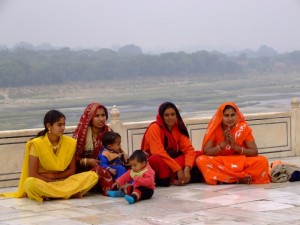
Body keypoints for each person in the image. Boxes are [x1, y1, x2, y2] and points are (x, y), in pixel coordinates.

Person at [1, 110, 98, 202]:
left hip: (62, 181)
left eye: (64, 124)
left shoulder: (70, 143)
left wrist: (55, 178)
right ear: (49, 126)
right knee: (30, 184)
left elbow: (71, 171)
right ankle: (69, 193)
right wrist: (53, 181)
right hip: (43, 182)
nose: (63, 128)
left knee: (92, 176)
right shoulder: (36, 144)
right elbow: (33, 174)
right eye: (59, 125)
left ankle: (52, 195)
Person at [196, 102, 270, 185]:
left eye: (232, 115)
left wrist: (235, 147)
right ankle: (238, 179)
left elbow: (254, 152)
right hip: (221, 162)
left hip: (239, 161)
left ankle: (224, 179)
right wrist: (224, 143)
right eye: (226, 115)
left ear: (236, 115)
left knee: (262, 161)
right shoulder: (216, 129)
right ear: (221, 116)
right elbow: (207, 152)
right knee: (201, 160)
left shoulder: (243, 128)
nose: (230, 118)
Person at [141, 102, 201, 187]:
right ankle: (171, 179)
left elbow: (188, 149)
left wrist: (187, 168)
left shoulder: (178, 127)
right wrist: (178, 168)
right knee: (155, 159)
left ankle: (181, 175)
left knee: (199, 154)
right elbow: (157, 152)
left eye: (173, 114)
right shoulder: (154, 128)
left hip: (171, 160)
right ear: (161, 116)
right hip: (160, 162)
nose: (170, 118)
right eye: (167, 115)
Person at [72, 102, 115, 195]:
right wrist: (87, 161)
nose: (101, 119)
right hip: (86, 174)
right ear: (90, 118)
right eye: (97, 116)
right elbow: (71, 159)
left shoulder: (108, 131)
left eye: (103, 115)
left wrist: (124, 155)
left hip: (108, 167)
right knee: (100, 170)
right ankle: (113, 190)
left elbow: (116, 150)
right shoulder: (80, 135)